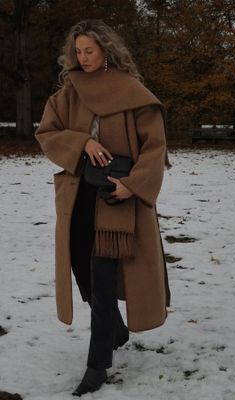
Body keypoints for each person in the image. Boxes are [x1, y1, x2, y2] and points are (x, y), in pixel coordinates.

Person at [35, 19, 171, 397]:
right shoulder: (68, 92)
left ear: (107, 50)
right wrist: (81, 143)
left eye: (89, 51)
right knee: (82, 268)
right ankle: (117, 329)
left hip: (116, 198)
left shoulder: (133, 93)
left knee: (102, 274)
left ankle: (98, 364)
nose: (82, 58)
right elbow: (46, 133)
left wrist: (132, 185)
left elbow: (155, 148)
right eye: (77, 51)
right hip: (78, 198)